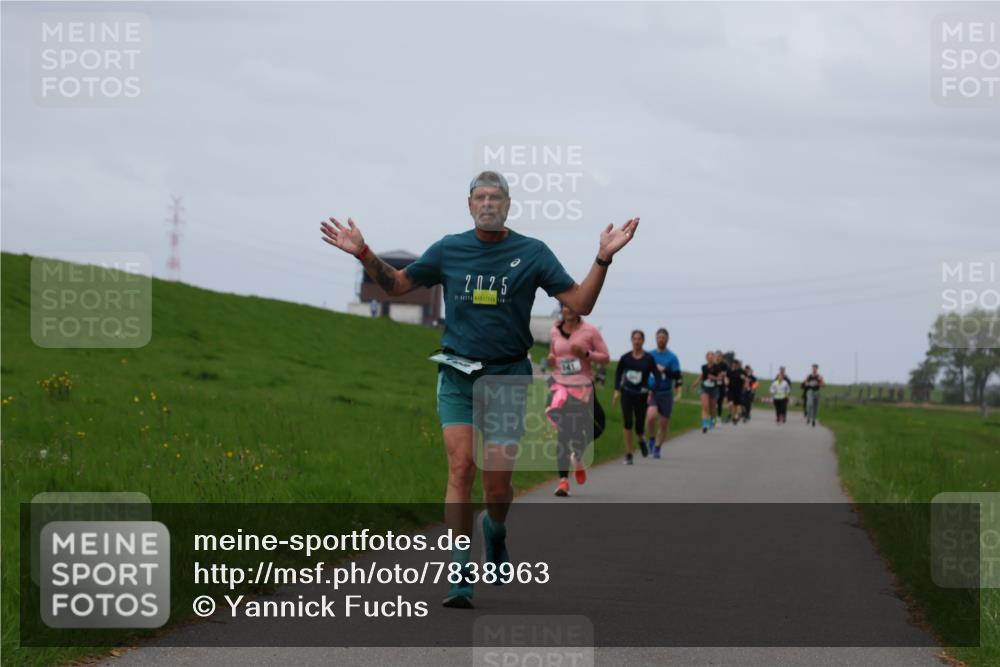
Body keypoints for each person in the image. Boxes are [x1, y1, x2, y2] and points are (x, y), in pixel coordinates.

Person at [320, 170, 639, 608]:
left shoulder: (532, 253)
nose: (488, 203)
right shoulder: (449, 249)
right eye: (480, 197)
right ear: (469, 205)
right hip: (457, 375)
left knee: (496, 488)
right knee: (460, 469)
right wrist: (363, 253)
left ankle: (496, 531)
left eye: (496, 197)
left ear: (508, 205)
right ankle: (460, 570)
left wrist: (602, 258)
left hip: (506, 377)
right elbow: (396, 285)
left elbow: (579, 302)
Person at [545, 304, 610, 497]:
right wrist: (550, 359)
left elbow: (605, 357)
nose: (569, 309)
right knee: (563, 435)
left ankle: (578, 453)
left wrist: (586, 354)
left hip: (583, 387)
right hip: (561, 387)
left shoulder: (590, 331)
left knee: (599, 424)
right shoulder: (554, 330)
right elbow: (554, 354)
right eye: (565, 305)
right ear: (561, 309)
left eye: (573, 305)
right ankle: (563, 482)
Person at [613, 331, 657, 464]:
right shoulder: (625, 358)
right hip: (627, 393)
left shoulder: (648, 359)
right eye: (634, 339)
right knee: (627, 422)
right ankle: (628, 453)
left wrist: (652, 391)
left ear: (643, 341)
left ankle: (642, 440)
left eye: (639, 339)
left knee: (638, 426)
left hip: (642, 395)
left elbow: (657, 377)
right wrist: (616, 390)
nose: (636, 341)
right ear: (631, 340)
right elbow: (618, 373)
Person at [644, 328, 682, 459]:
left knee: (664, 424)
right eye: (658, 337)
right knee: (650, 416)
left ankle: (658, 447)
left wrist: (664, 370)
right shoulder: (650, 355)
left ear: (667, 339)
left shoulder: (672, 357)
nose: (661, 339)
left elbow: (676, 375)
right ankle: (651, 439)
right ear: (655, 339)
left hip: (666, 392)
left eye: (663, 337)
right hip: (652, 392)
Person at [698, 351, 725, 433]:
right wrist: (695, 383)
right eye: (708, 357)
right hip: (704, 388)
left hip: (714, 389)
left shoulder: (717, 367)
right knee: (705, 406)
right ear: (706, 358)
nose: (710, 358)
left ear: (713, 358)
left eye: (712, 357)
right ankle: (705, 425)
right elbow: (703, 376)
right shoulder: (703, 367)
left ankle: (713, 419)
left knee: (712, 407)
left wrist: (714, 378)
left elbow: (720, 378)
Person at [726, 359, 747, 424]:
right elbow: (726, 377)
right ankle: (733, 416)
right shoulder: (729, 371)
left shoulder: (742, 371)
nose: (734, 365)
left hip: (738, 390)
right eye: (733, 364)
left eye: (736, 364)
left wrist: (744, 378)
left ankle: (736, 416)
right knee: (730, 404)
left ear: (738, 365)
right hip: (730, 390)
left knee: (737, 405)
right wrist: (726, 381)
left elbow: (746, 379)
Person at [714, 351, 728, 424]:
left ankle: (718, 417)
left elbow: (726, 373)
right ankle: (712, 417)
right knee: (713, 402)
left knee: (719, 402)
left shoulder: (724, 365)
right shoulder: (713, 364)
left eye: (719, 356)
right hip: (713, 385)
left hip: (721, 385)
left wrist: (720, 373)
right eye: (716, 356)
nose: (717, 357)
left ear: (721, 357)